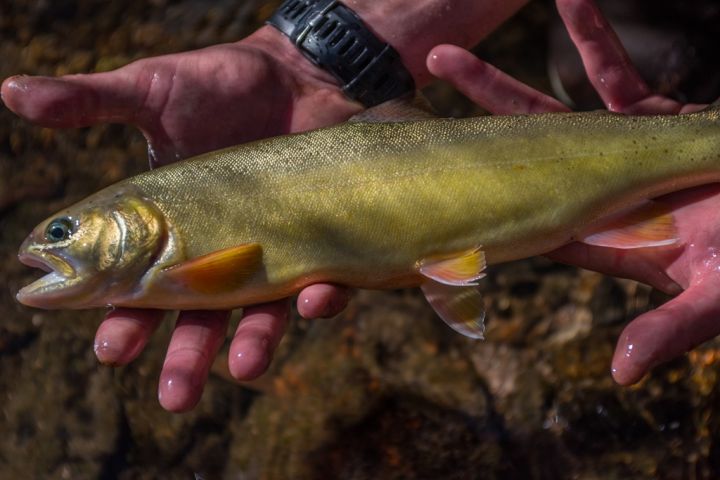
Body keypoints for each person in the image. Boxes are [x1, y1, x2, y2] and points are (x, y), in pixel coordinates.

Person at [2, 0, 718, 412]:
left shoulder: (172, 263)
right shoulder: (166, 252)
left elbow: (231, 272)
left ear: (137, 220)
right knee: (630, 53)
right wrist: (324, 54)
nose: (51, 247)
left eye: (63, 232)